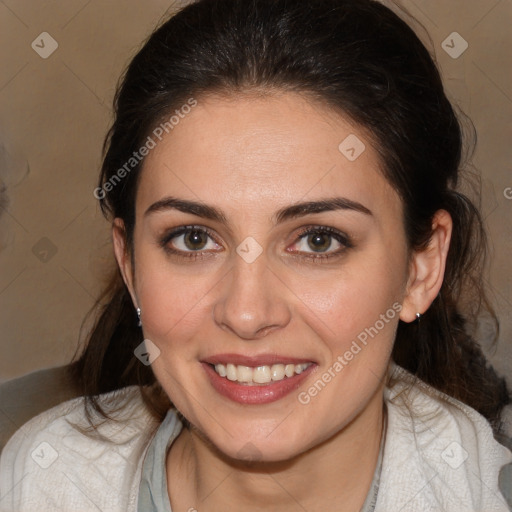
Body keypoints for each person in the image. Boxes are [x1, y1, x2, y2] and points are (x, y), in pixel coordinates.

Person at [1, 0, 511, 510]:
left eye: (318, 240)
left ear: (420, 268)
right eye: (193, 239)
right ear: (130, 266)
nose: (246, 313)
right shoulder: (39, 484)